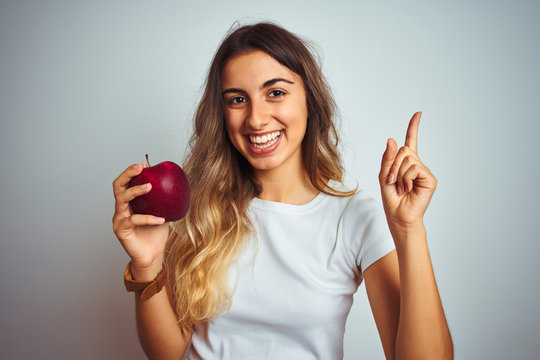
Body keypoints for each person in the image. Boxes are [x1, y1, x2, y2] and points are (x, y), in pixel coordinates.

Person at [112, 22, 453, 359]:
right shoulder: (199, 206)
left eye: (275, 92)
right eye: (236, 99)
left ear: (310, 100)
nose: (256, 119)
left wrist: (409, 229)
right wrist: (147, 263)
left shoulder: (354, 217)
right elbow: (169, 354)